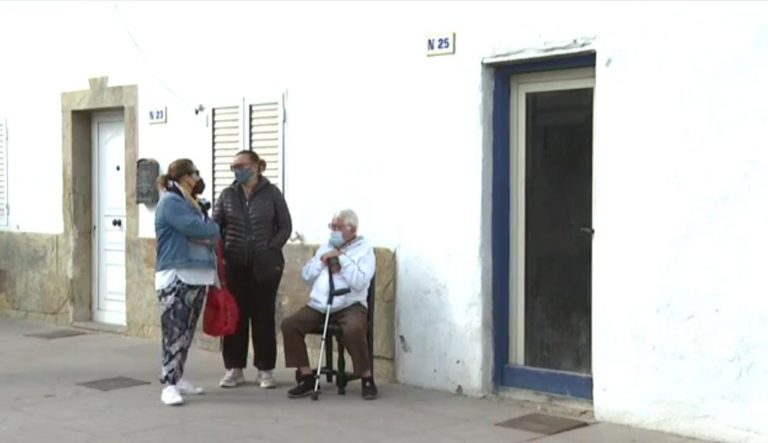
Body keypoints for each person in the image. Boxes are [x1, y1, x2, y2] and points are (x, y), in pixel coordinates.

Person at [213, 150, 292, 389]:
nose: (237, 170)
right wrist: (223, 252)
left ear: (256, 166)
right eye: (234, 167)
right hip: (235, 264)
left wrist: (270, 248)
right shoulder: (227, 195)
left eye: (242, 165)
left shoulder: (272, 193)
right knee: (235, 317)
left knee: (263, 316)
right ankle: (234, 368)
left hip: (265, 265)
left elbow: (285, 226)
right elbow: (216, 225)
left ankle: (265, 370)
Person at [281, 209, 378, 400]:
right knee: (290, 325)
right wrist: (321, 261)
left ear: (352, 229)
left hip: (349, 304)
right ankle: (306, 377)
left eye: (338, 228)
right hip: (321, 304)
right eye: (331, 227)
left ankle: (366, 377)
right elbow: (306, 275)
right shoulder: (325, 247)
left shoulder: (365, 250)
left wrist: (342, 258)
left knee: (354, 329)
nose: (333, 232)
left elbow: (360, 281)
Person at [154, 159, 220, 406]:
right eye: (194, 173)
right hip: (177, 274)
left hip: (196, 274)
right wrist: (206, 229)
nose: (198, 177)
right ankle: (169, 385)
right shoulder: (171, 202)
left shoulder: (191, 202)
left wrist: (207, 230)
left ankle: (178, 377)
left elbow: (212, 232)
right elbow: (199, 228)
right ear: (184, 176)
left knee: (187, 332)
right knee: (174, 331)